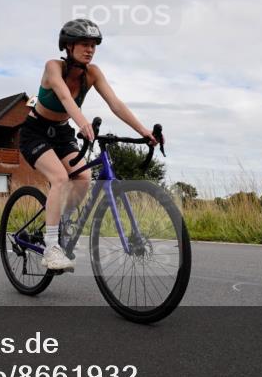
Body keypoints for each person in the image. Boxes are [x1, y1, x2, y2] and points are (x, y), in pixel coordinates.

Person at [18, 19, 159, 271]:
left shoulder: (93, 73)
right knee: (60, 178)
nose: (90, 49)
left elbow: (115, 104)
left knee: (83, 177)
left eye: (93, 44)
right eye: (84, 44)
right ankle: (51, 249)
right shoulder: (53, 67)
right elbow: (63, 95)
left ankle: (63, 221)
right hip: (35, 132)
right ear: (69, 46)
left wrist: (144, 131)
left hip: (62, 133)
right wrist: (82, 122)